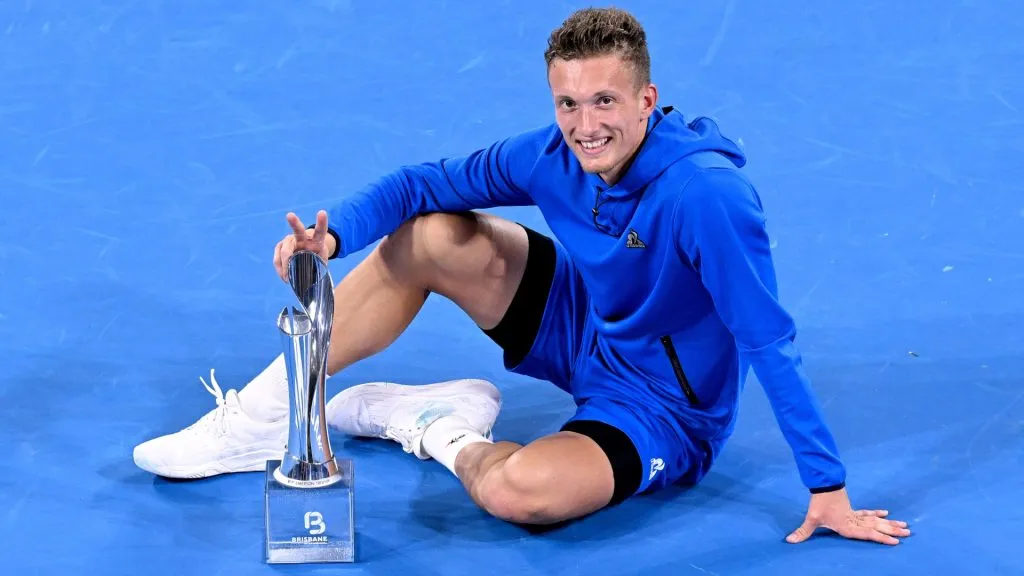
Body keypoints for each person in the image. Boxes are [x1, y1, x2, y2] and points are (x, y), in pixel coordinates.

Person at [134, 7, 909, 545]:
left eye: (605, 101)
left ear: (647, 99)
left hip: (663, 409)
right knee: (434, 234)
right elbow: (420, 185)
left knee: (515, 493)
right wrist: (333, 236)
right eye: (568, 103)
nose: (585, 126)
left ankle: (432, 425)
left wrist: (826, 486)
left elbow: (768, 340)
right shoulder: (555, 151)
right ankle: (267, 412)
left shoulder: (706, 196)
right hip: (584, 328)